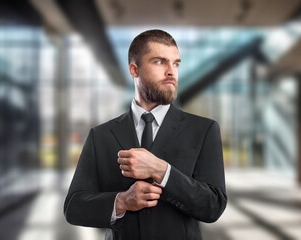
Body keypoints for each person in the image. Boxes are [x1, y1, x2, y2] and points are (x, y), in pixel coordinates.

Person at [64, 29, 227, 240]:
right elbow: (73, 207)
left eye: (176, 63)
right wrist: (121, 201)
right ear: (134, 69)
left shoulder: (204, 130)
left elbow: (213, 206)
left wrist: (161, 170)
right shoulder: (101, 135)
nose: (171, 71)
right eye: (160, 62)